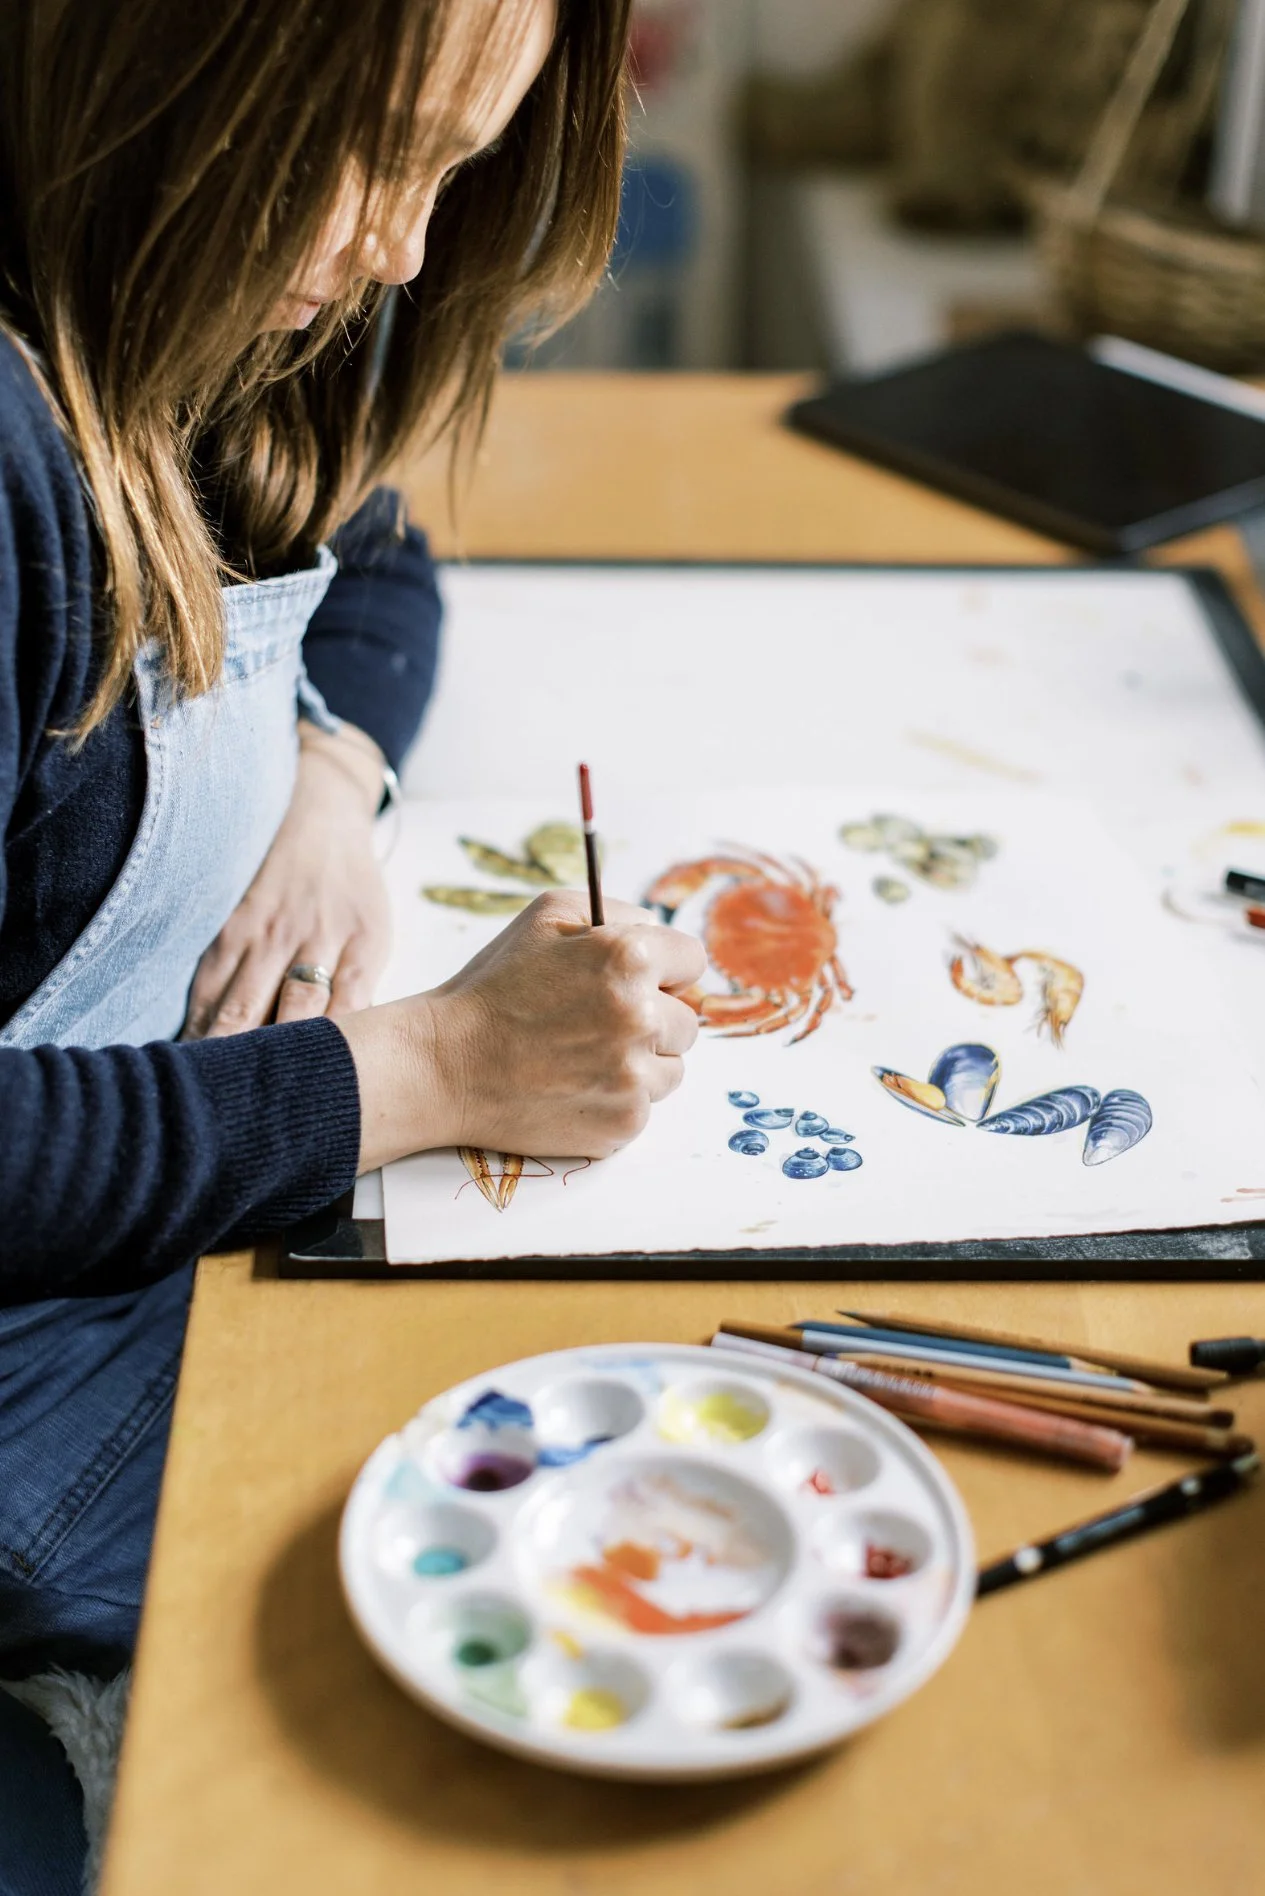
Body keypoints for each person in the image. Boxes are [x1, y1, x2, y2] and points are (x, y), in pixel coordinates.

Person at [0, 1, 704, 1884]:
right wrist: (436, 1063)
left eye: (450, 173)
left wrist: (330, 771)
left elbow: (377, 555)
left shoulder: (193, 310)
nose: (402, 250)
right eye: (380, 153)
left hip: (171, 1240)